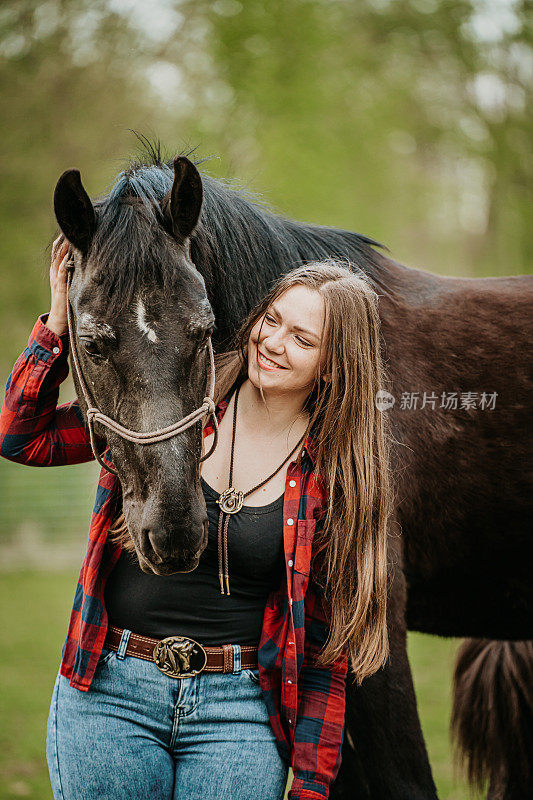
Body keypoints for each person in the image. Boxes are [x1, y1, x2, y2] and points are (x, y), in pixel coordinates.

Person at [0, 238, 393, 800]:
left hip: (237, 715)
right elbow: (22, 437)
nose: (273, 343)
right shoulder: (171, 399)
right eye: (272, 320)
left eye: (302, 339)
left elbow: (325, 653)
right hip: (112, 692)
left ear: (334, 368)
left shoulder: (334, 478)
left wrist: (309, 784)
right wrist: (58, 324)